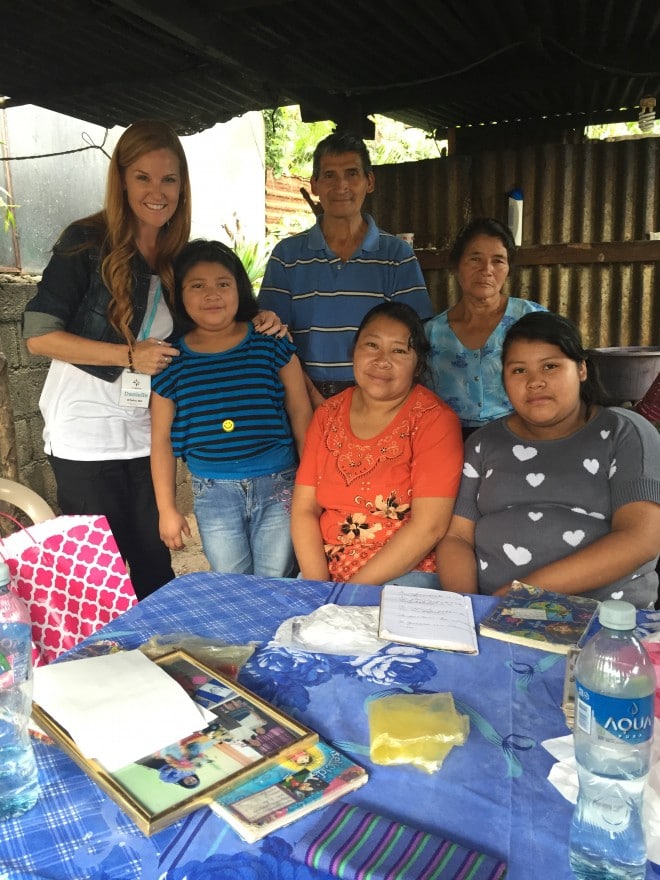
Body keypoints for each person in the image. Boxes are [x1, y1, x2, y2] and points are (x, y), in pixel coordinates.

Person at [22, 121, 282, 600]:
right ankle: (103, 668)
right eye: (143, 177)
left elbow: (212, 317)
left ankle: (161, 664)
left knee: (154, 568)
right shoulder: (86, 242)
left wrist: (259, 317)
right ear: (121, 180)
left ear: (182, 186)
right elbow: (38, 336)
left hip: (144, 431)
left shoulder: (177, 255)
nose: (157, 191)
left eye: (169, 179)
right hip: (85, 431)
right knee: (96, 573)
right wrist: (127, 355)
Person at [436, 311, 660, 607]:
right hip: (493, 615)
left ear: (581, 369)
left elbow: (641, 538)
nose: (534, 382)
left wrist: (523, 593)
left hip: (603, 623)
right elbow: (457, 538)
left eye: (550, 366)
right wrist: (467, 608)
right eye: (518, 370)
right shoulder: (483, 443)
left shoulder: (623, 431)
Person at [150, 239, 312, 577]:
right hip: (213, 493)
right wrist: (167, 509)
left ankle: (273, 633)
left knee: (276, 580)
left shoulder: (271, 343)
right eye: (197, 286)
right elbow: (161, 440)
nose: (212, 294)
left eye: (223, 284)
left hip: (279, 484)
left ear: (239, 290)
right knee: (230, 582)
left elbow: (300, 413)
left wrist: (313, 485)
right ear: (179, 295)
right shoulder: (172, 362)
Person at [292, 302, 463, 588]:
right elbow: (304, 510)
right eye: (372, 345)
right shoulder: (326, 415)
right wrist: (318, 588)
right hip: (325, 574)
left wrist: (347, 595)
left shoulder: (434, 421)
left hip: (405, 573)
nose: (382, 360)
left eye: (398, 350)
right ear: (354, 351)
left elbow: (429, 528)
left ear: (418, 363)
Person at [258, 130, 433, 408]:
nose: (341, 186)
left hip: (379, 402)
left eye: (352, 173)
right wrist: (311, 398)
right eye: (329, 175)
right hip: (302, 399)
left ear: (370, 181)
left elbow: (415, 341)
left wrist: (373, 404)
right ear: (314, 184)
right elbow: (273, 340)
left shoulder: (397, 256)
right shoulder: (287, 256)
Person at [424, 217, 546, 439]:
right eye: (475, 259)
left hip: (522, 437)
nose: (486, 270)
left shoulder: (532, 318)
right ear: (456, 265)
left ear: (509, 268)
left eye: (498, 260)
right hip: (449, 442)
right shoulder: (432, 333)